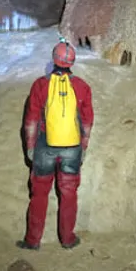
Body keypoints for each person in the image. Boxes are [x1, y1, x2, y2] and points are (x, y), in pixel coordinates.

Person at [18, 38, 94, 250]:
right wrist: (83, 146)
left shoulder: (40, 85)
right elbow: (87, 121)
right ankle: (67, 239)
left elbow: (31, 120)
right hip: (72, 149)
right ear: (72, 62)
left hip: (45, 147)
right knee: (69, 194)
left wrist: (30, 147)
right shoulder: (81, 87)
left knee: (39, 194)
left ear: (54, 60)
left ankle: (33, 241)